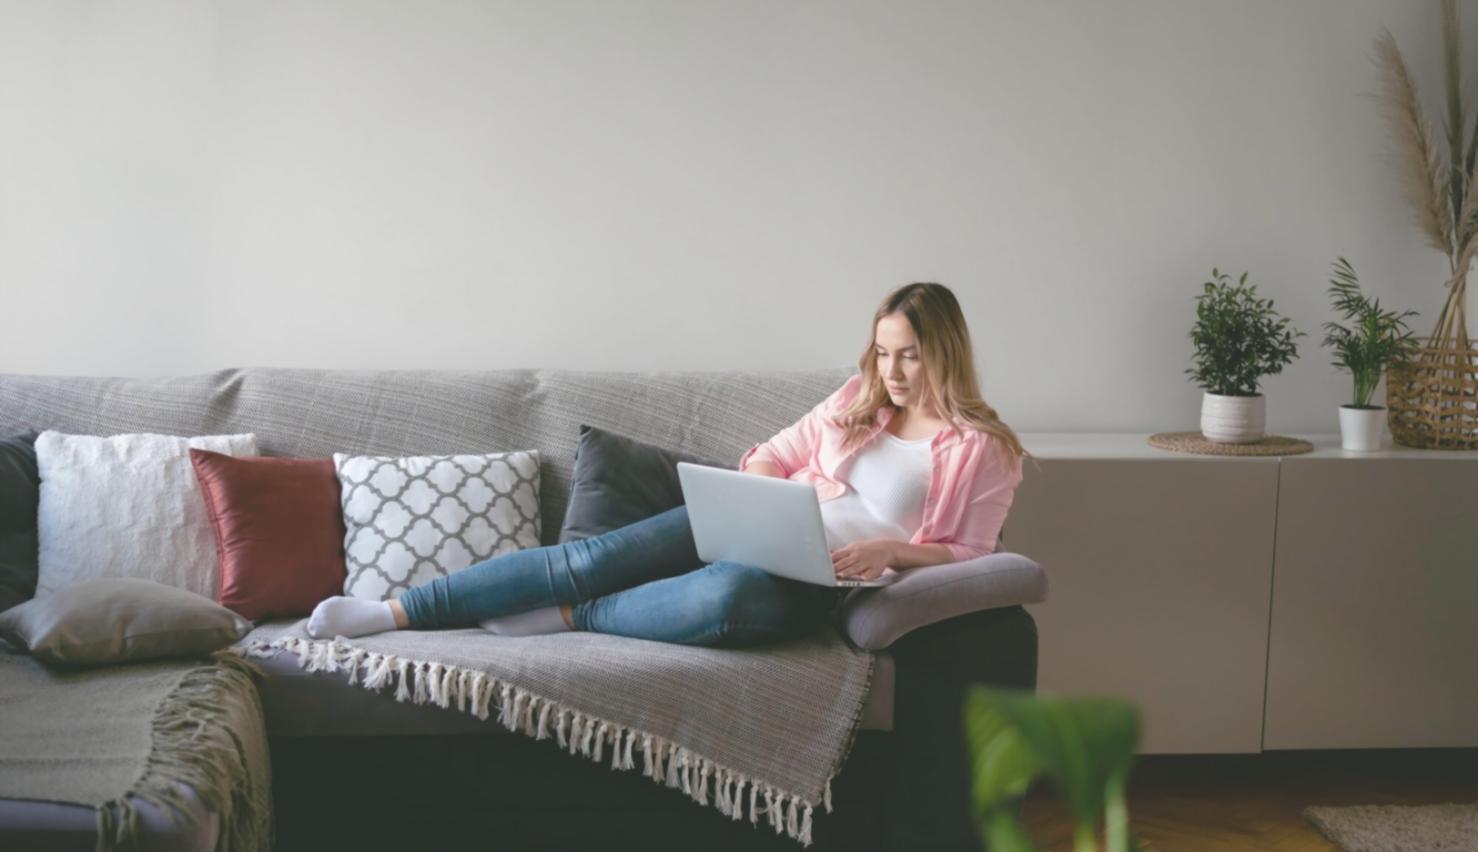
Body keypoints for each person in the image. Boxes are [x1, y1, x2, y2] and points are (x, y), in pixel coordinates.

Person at [306, 281, 1028, 646]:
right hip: (768, 531)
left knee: (726, 603)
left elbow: (973, 553)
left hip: (826, 581)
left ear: (945, 351)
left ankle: (574, 617)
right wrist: (771, 502)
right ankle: (391, 612)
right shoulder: (855, 399)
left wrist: (889, 552)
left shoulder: (984, 448)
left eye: (910, 353)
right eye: (882, 350)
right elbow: (771, 454)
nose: (893, 370)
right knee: (590, 555)